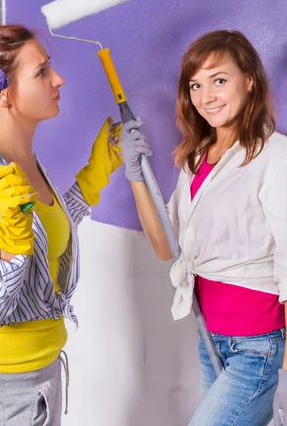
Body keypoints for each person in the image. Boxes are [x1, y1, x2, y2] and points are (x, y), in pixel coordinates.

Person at [0, 24, 137, 426]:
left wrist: (94, 176)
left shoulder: (24, 165)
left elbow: (45, 245)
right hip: (2, 395)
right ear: (2, 93)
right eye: (41, 72)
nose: (58, 79)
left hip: (42, 378)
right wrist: (9, 243)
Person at [121, 30, 287, 425]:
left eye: (219, 80)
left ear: (249, 80)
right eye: (196, 85)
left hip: (255, 344)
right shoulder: (198, 157)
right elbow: (166, 245)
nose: (206, 96)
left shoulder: (275, 155)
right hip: (209, 334)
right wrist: (135, 175)